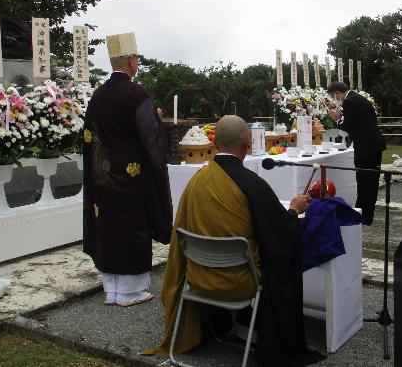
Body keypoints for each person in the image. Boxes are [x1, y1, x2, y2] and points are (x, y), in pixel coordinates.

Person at [144, 115, 323, 367]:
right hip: (240, 283)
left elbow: (180, 230)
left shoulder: (195, 182)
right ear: (248, 143)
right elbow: (281, 235)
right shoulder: (252, 184)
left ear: (214, 142)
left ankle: (231, 325)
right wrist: (294, 209)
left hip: (198, 279)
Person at [82, 32, 172, 307]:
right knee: (132, 228)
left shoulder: (98, 95)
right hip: (131, 178)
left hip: (103, 176)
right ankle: (131, 292)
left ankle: (111, 290)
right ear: (132, 61)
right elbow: (151, 137)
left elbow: (89, 136)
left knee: (108, 227)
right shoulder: (135, 94)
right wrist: (157, 122)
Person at [327, 81, 386, 225]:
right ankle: (365, 213)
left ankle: (363, 214)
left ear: (337, 93)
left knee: (365, 180)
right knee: (370, 181)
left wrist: (337, 118)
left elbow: (348, 126)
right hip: (373, 146)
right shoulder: (357, 98)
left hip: (366, 148)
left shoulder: (350, 102)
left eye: (333, 97)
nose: (335, 100)